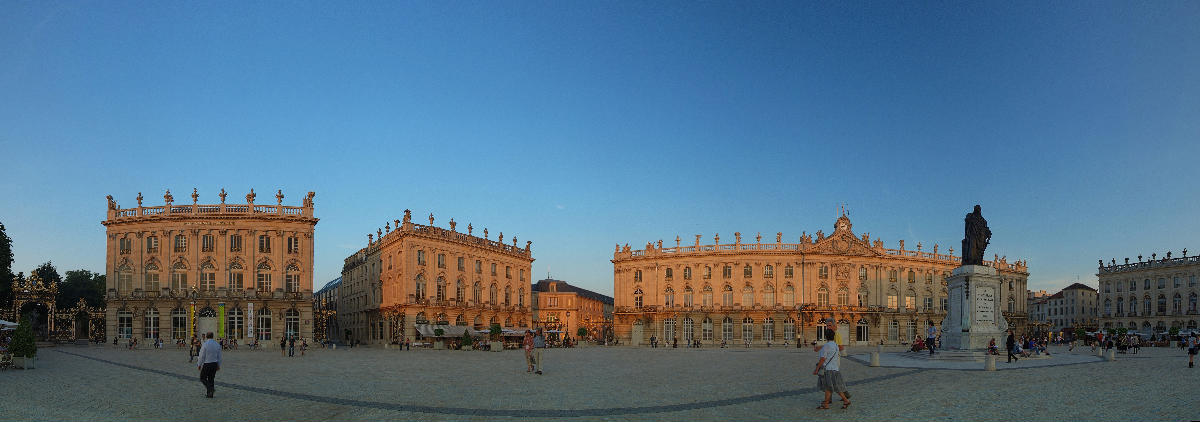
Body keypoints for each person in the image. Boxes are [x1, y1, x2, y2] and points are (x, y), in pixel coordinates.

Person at [812, 329, 850, 410]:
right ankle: (844, 401)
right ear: (833, 336)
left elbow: (822, 359)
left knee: (828, 388)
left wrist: (817, 369)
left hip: (828, 370)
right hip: (835, 369)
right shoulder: (836, 345)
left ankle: (827, 404)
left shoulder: (826, 346)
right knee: (835, 387)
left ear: (826, 336)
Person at [197, 332, 222, 398]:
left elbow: (201, 356)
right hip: (214, 364)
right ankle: (210, 394)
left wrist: (199, 364)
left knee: (202, 378)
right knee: (211, 379)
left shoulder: (205, 344)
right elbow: (219, 356)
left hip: (207, 363)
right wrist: (218, 365)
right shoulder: (217, 344)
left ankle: (211, 389)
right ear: (212, 336)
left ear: (206, 336)